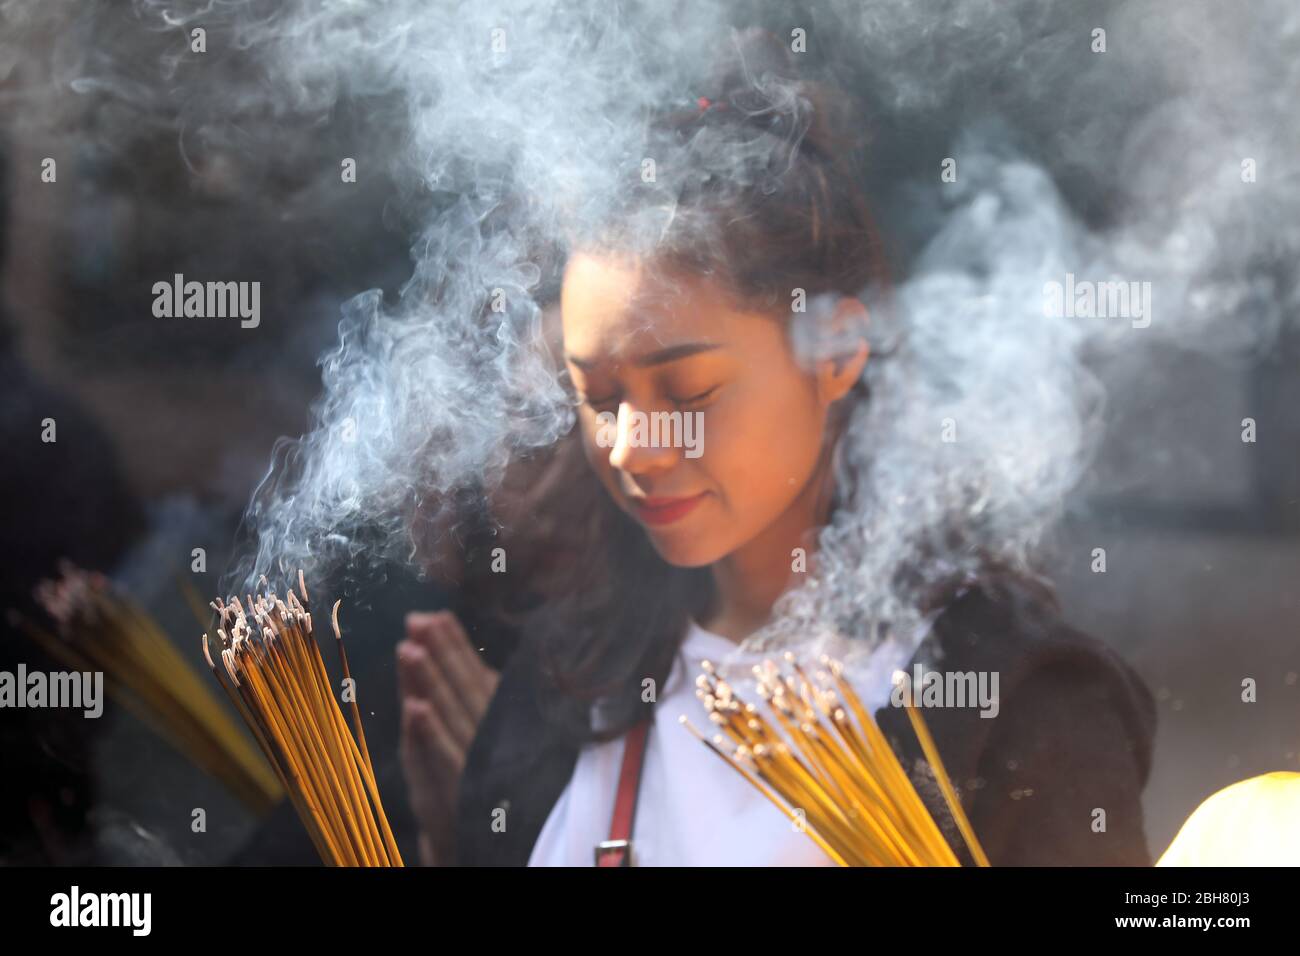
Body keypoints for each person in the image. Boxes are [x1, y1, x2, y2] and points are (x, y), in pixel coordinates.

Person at [404, 29, 1157, 867]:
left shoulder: (1019, 707)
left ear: (835, 352)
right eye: (599, 398)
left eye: (689, 394)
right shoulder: (566, 676)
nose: (633, 450)